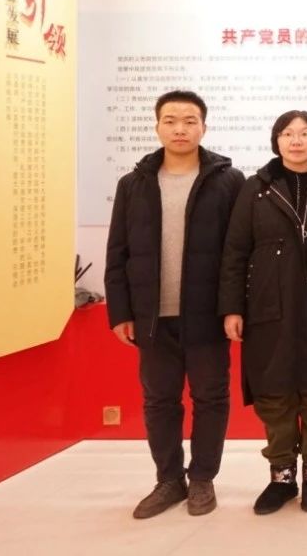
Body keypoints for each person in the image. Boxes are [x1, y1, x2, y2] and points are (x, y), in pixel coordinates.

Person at [105, 90, 245, 519]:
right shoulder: (133, 184)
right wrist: (120, 312)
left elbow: (239, 253)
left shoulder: (228, 181)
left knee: (211, 397)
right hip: (152, 316)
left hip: (207, 315)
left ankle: (202, 478)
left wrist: (233, 307)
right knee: (159, 400)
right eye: (170, 120)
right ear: (157, 126)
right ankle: (168, 480)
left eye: (189, 120)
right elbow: (118, 252)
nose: (180, 128)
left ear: (204, 126)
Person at [219, 110, 307, 514]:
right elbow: (235, 252)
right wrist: (232, 308)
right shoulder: (256, 188)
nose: (296, 140)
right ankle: (281, 477)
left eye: (304, 133)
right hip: (267, 306)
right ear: (276, 140)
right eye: (288, 133)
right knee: (274, 392)